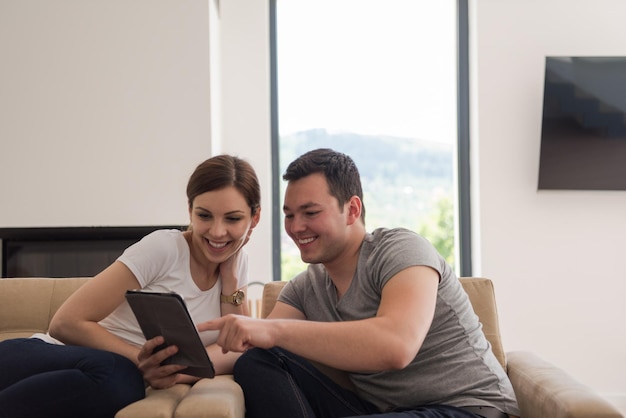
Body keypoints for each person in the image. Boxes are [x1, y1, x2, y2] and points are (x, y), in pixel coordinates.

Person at [201, 148, 520, 418]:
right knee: (259, 360)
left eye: (310, 212)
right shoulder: (306, 287)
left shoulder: (400, 250)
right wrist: (177, 365)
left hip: (469, 408)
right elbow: (249, 346)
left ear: (351, 209)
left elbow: (396, 346)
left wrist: (271, 331)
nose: (296, 227)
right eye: (289, 215)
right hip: (382, 411)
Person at [0, 154, 261, 418]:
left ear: (254, 218)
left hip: (99, 376)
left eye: (232, 219)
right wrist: (141, 361)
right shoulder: (164, 248)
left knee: (121, 380)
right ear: (189, 210)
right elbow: (65, 323)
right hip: (45, 355)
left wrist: (230, 283)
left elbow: (237, 348)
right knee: (119, 376)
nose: (217, 232)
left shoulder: (236, 264)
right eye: (204, 215)